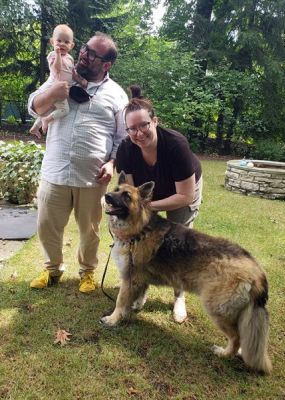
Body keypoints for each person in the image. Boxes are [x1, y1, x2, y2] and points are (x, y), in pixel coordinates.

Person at [28, 32, 128, 293]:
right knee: (47, 225)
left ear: (106, 64)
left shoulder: (116, 94)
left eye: (92, 54)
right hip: (54, 172)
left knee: (90, 230)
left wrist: (112, 164)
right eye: (85, 49)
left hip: (92, 178)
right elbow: (33, 106)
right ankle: (52, 269)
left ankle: (87, 273)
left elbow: (122, 137)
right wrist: (52, 92)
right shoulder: (61, 74)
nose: (84, 54)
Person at [116, 85, 202, 323]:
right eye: (131, 128)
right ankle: (140, 288)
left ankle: (179, 296)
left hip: (181, 190)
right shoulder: (125, 149)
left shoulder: (176, 145)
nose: (138, 133)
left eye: (143, 125)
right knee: (140, 241)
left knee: (177, 242)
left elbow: (185, 196)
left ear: (155, 121)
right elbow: (130, 195)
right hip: (146, 194)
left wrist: (149, 208)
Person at [30, 24, 87, 137]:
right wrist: (57, 54)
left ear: (71, 45)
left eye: (66, 42)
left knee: (50, 107)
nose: (62, 44)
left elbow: (73, 73)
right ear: (52, 42)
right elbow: (56, 69)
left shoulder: (70, 58)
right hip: (54, 86)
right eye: (59, 40)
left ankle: (36, 127)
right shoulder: (52, 55)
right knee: (64, 110)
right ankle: (46, 120)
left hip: (63, 87)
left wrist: (81, 81)